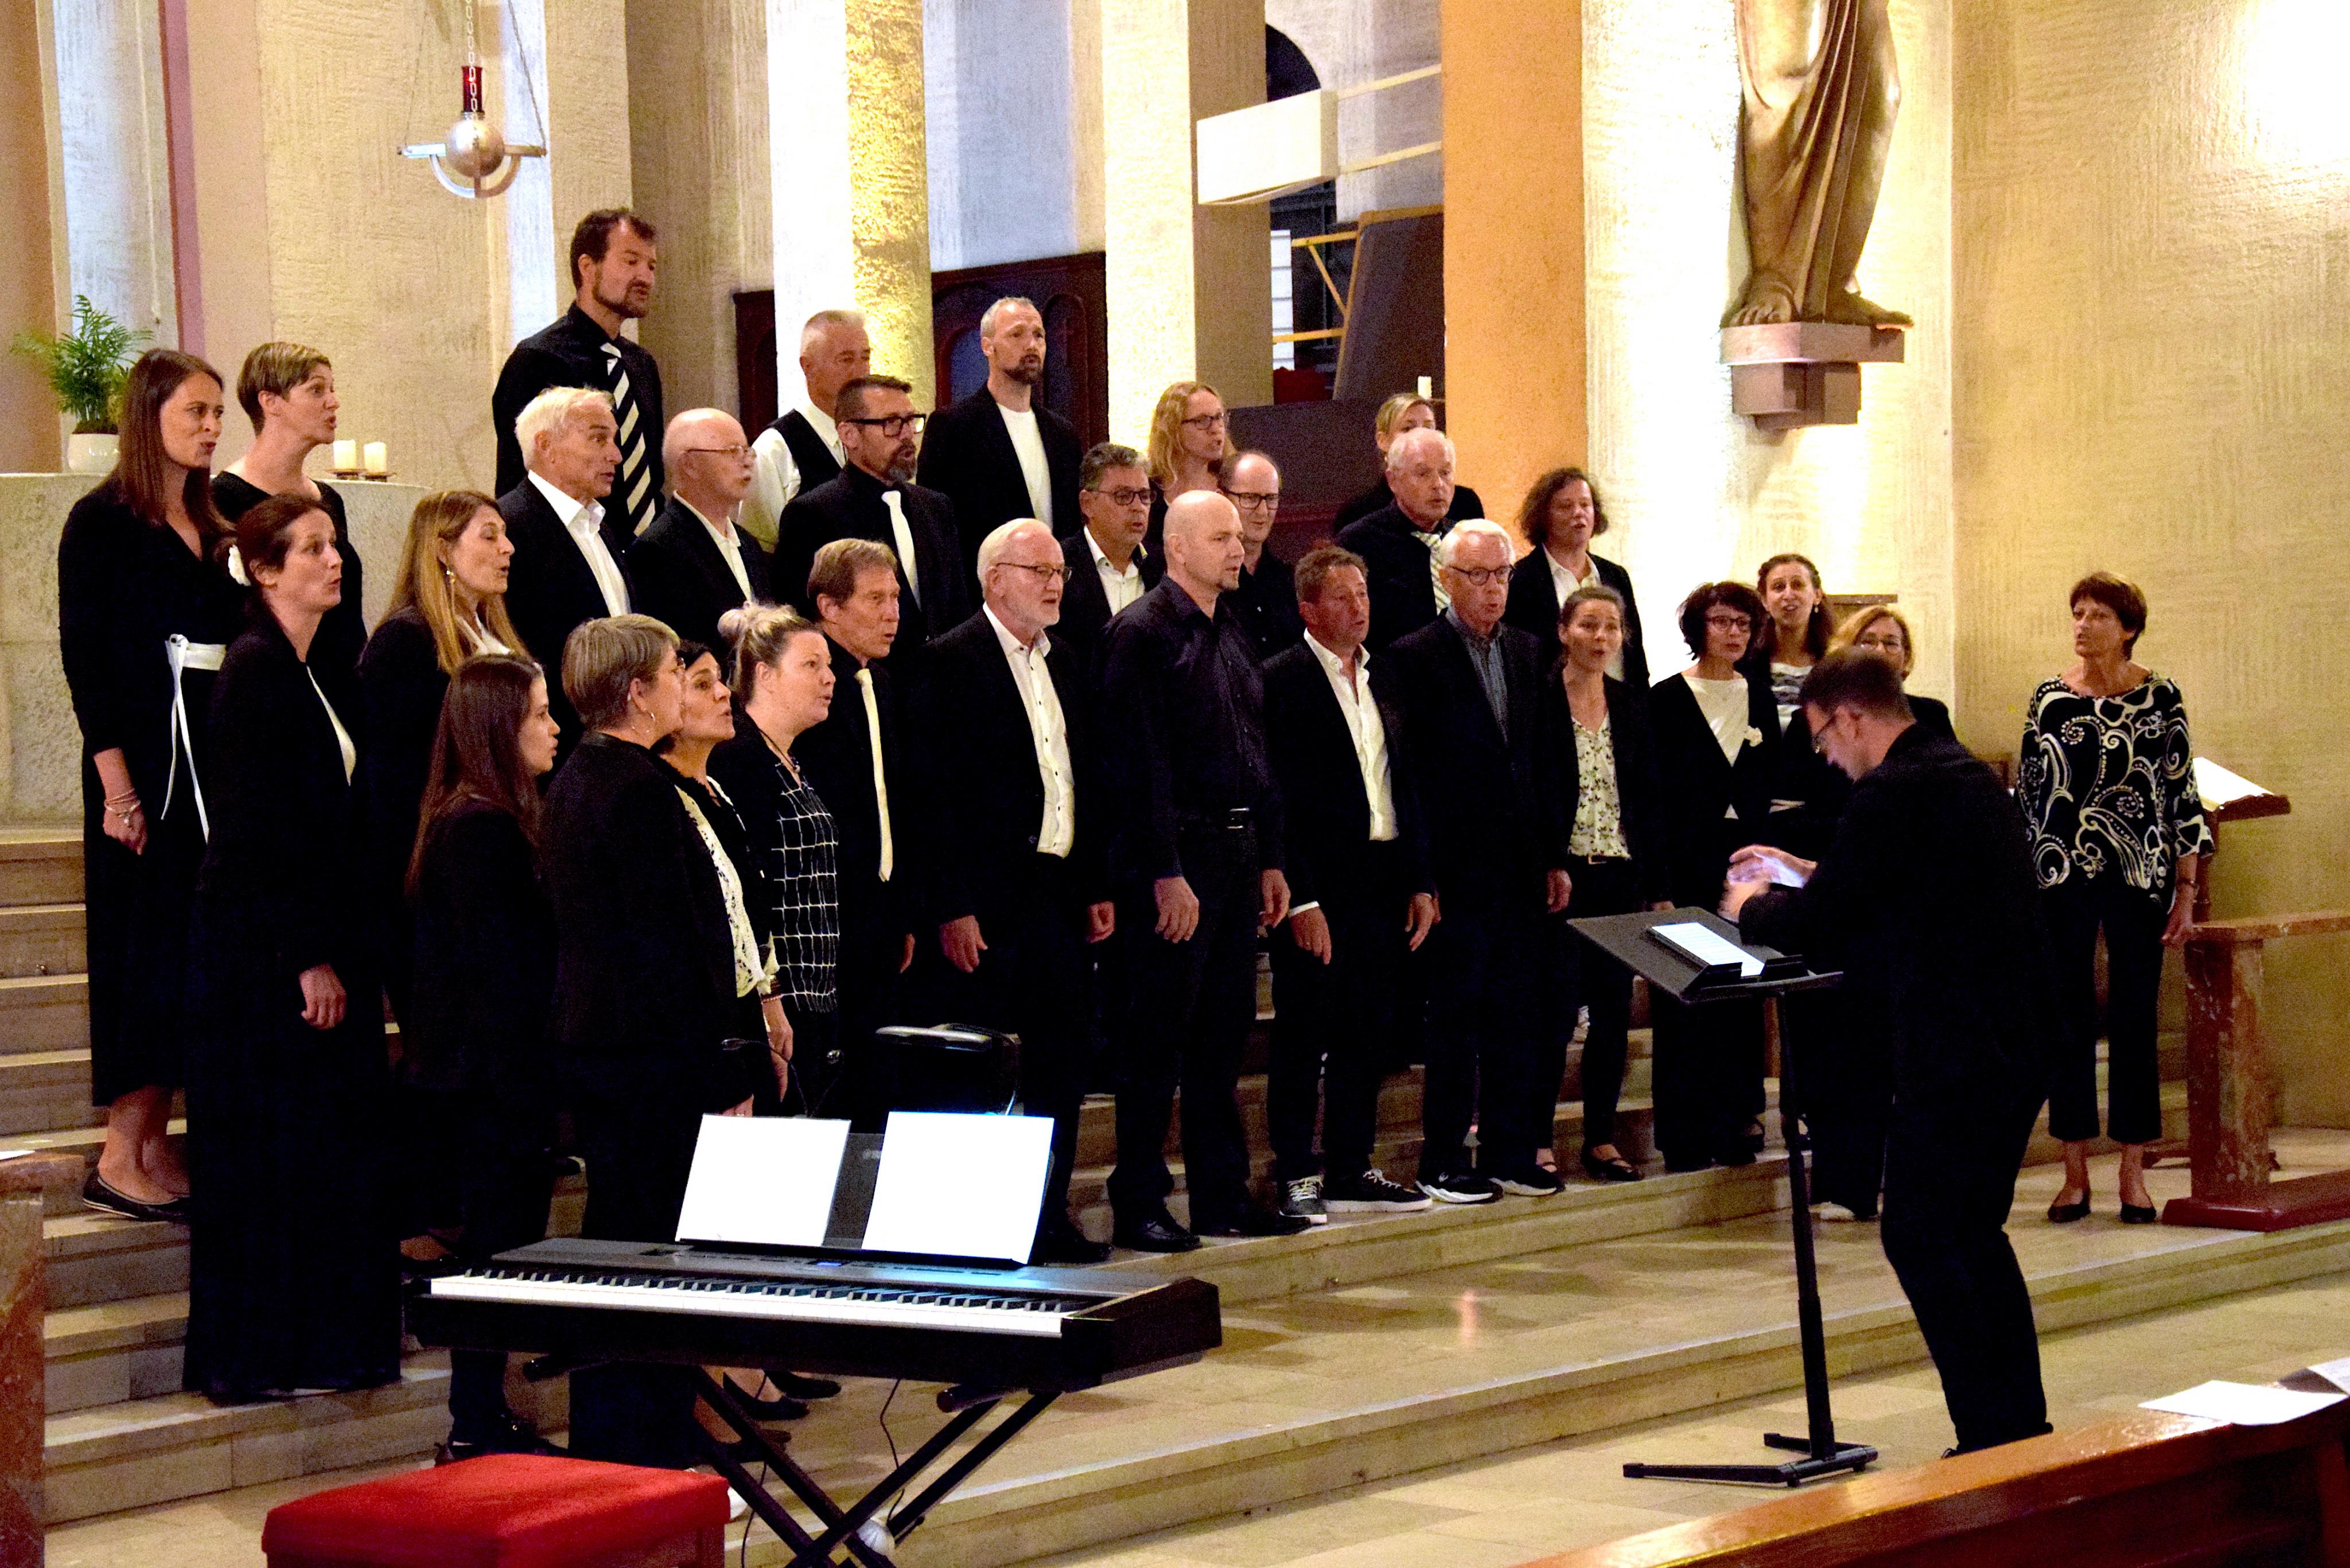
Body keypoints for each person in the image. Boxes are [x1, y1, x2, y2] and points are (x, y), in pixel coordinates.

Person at [1728, 650, 2051, 1456]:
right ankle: (2018, 1425)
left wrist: (1751, 908)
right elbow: (1899, 883)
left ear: (1849, 717)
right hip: (2016, 1038)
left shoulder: (1892, 789)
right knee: (1974, 1231)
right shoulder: (1958, 772)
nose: (1827, 759)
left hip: (1956, 1046)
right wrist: (1808, 869)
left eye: (1822, 739)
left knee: (1920, 1233)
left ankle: (1989, 1431)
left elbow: (1825, 922)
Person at [540, 615, 778, 1466]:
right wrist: (719, 1067)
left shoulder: (583, 773)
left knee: (630, 1240)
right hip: (651, 1060)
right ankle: (641, 1437)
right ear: (639, 693)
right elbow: (669, 943)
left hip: (612, 1051)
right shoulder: (637, 787)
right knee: (655, 1248)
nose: (687, 682)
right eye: (676, 671)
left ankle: (632, 1431)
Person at [182, 494, 400, 1403]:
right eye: (311, 548)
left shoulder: (317, 668)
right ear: (264, 570)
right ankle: (256, 1353)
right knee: (268, 1155)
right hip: (262, 960)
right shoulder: (255, 668)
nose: (334, 558)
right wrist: (306, 954)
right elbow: (251, 832)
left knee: (328, 1152)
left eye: (335, 543)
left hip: (317, 941)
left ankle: (326, 1345)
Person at [57, 348, 243, 1223]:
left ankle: (156, 1144)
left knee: (182, 955)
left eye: (217, 414)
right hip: (140, 765)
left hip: (206, 764)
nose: (211, 428)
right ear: (149, 417)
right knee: (139, 954)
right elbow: (86, 661)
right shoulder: (101, 522)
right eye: (195, 412)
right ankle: (117, 1151)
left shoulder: (213, 523)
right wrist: (118, 788)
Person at [1101, 491, 1304, 1248]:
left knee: (1223, 1035)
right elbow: (1136, 762)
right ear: (1178, 547)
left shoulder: (1234, 626)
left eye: (1237, 536)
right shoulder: (1141, 632)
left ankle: (1221, 1194)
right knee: (1157, 1038)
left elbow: (1258, 750)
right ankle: (1140, 1200)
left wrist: (1272, 858)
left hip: (1238, 852)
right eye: (1221, 537)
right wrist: (1164, 869)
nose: (1237, 547)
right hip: (1177, 858)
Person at [919, 520, 1117, 1263]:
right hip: (989, 899)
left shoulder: (1066, 659)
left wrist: (1093, 881)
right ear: (995, 577)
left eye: (1060, 571)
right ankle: (981, 1223)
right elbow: (935, 795)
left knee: (1062, 1061)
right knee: (987, 1064)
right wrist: (953, 904)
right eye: (1039, 570)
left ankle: (1047, 1213)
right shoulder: (950, 659)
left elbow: (1080, 775)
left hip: (1058, 889)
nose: (1055, 583)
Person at [404, 655, 563, 1460]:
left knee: (504, 1254)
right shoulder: (479, 829)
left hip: (495, 1081)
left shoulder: (487, 818)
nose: (555, 727)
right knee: (495, 1258)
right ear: (499, 729)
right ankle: (474, 1424)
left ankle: (484, 1416)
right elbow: (497, 975)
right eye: (539, 714)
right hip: (489, 1088)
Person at [1387, 520, 1572, 1204]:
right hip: (1454, 868)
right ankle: (1441, 1160)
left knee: (1516, 1015)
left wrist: (1553, 856)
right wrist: (1421, 874)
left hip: (1520, 866)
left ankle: (1507, 1151)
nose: (1493, 588)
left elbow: (1546, 760)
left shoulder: (1527, 650)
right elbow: (1408, 775)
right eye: (1477, 575)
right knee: (1455, 1019)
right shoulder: (1413, 655)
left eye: (1501, 575)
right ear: (1446, 579)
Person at [2019, 573, 2211, 1225]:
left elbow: (2181, 797)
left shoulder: (2161, 697)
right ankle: (2073, 1172)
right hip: (2059, 875)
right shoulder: (2049, 698)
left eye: (2098, 614)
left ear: (2128, 628)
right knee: (2066, 1019)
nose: (2082, 624)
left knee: (2134, 1018)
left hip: (2140, 874)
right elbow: (2030, 801)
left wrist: (2186, 891)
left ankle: (2132, 1170)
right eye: (2077, 612)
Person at [1262, 545, 1437, 1224]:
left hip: (1382, 872)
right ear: (1308, 608)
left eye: (1362, 593)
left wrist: (1420, 878)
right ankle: (1295, 1171)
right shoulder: (1281, 678)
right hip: (1318, 880)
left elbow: (1407, 779)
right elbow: (1278, 795)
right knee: (1304, 1031)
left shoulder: (1385, 672)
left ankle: (1350, 1162)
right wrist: (1301, 896)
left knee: (1368, 1028)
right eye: (1342, 597)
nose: (1359, 607)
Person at [357, 491, 524, 1025]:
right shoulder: (405, 641)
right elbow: (396, 780)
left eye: (505, 535)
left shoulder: (492, 632)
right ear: (442, 549)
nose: (508, 548)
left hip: (500, 849)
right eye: (489, 536)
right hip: (440, 871)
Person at [782, 539, 921, 1125]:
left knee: (877, 1073)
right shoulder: (809, 688)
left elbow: (894, 801)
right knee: (833, 1083)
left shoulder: (880, 681)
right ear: (829, 607)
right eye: (875, 599)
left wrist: (900, 908)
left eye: (895, 597)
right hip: (825, 913)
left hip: (879, 911)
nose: (893, 613)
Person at [1645, 582, 1780, 1172]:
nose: (1732, 633)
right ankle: (1682, 1133)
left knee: (1741, 993)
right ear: (1698, 627)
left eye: (1743, 624)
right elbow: (1650, 796)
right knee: (1681, 995)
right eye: (1721, 621)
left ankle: (1737, 1119)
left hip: (1743, 863)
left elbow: (1769, 784)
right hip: (1684, 860)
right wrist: (1658, 885)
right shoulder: (1664, 698)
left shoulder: (1760, 698)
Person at [1544, 584, 1669, 1183]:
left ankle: (1600, 1137)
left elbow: (1648, 799)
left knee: (1613, 1014)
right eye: (1589, 624)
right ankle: (1536, 1137)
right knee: (1554, 1011)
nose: (1600, 637)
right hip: (1563, 876)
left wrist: (1658, 885)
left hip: (1620, 874)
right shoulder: (1541, 698)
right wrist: (1545, 860)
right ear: (1564, 630)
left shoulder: (1630, 704)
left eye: (1611, 627)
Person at [711, 608, 845, 1116]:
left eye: (828, 665)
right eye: (811, 665)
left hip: (815, 994)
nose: (829, 678)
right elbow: (748, 887)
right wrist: (772, 999)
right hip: (781, 998)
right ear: (765, 675)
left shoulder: (790, 759)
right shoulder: (742, 758)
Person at [492, 209, 665, 539]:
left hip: (646, 552)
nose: (645, 277)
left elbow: (651, 476)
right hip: (569, 546)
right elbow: (519, 480)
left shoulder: (641, 364)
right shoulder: (538, 359)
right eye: (631, 262)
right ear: (588, 267)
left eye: (651, 266)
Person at [773, 375, 971, 657]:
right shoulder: (812, 514)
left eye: (911, 421)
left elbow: (957, 605)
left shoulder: (936, 507)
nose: (907, 434)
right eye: (892, 423)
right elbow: (804, 620)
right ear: (849, 434)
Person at [212, 342, 365, 689]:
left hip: (339, 683)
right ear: (271, 402)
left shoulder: (327, 500)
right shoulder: (225, 498)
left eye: (332, 389)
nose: (333, 402)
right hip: (273, 687)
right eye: (317, 390)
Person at [499, 387, 631, 749]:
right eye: (598, 439)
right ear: (546, 446)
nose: (616, 455)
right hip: (562, 741)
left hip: (618, 736)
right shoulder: (511, 527)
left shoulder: (601, 526)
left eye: (614, 440)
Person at [916, 297, 1083, 560]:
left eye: (1038, 335)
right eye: (1017, 334)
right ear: (988, 346)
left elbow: (1072, 522)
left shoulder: (1062, 434)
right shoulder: (953, 427)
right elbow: (934, 524)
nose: (1031, 345)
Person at [630, 409, 772, 652]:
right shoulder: (657, 551)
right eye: (733, 451)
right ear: (690, 465)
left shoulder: (748, 543)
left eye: (747, 450)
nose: (747, 461)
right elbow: (672, 647)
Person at [1503, 467, 1648, 687]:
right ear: (1544, 517)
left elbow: (1634, 656)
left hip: (1619, 702)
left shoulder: (1615, 575)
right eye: (1566, 506)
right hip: (1551, 703)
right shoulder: (1521, 579)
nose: (1579, 513)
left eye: (1585, 505)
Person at [743, 308, 869, 548]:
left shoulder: (871, 434)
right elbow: (759, 547)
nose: (861, 371)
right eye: (846, 359)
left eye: (865, 357)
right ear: (808, 366)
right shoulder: (776, 448)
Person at [1744, 551, 1841, 857]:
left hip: (1825, 805)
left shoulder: (1838, 665)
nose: (1789, 595)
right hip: (1760, 809)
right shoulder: (1745, 665)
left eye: (1798, 585)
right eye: (1778, 587)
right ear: (1764, 600)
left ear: (1817, 595)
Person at [1336, 427, 1462, 650]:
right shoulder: (1358, 542)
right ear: (1393, 480)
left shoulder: (1464, 538)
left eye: (1445, 473)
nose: (1438, 484)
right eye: (1423, 474)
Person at [1056, 442, 1161, 658]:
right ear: (1087, 504)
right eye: (1123, 496)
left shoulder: (1164, 566)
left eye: (1144, 496)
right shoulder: (1058, 567)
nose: (1138, 507)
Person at [1332, 393, 1487, 530]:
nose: (1420, 435)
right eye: (1408, 429)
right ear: (1382, 440)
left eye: (1428, 427)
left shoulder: (1464, 503)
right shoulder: (1358, 513)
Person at [1219, 450, 1304, 660]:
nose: (1263, 511)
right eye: (1250, 498)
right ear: (1222, 498)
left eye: (1271, 498)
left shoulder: (1291, 580)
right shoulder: (1207, 584)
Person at [1831, 605, 1954, 742]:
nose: (1880, 651)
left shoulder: (1932, 714)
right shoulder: (1825, 716)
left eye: (1891, 643)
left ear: (1906, 656)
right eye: (1868, 642)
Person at [1142, 381, 1232, 548]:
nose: (1216, 429)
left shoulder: (1232, 485)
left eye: (1219, 417)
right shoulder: (1148, 492)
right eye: (1202, 420)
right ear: (1173, 428)